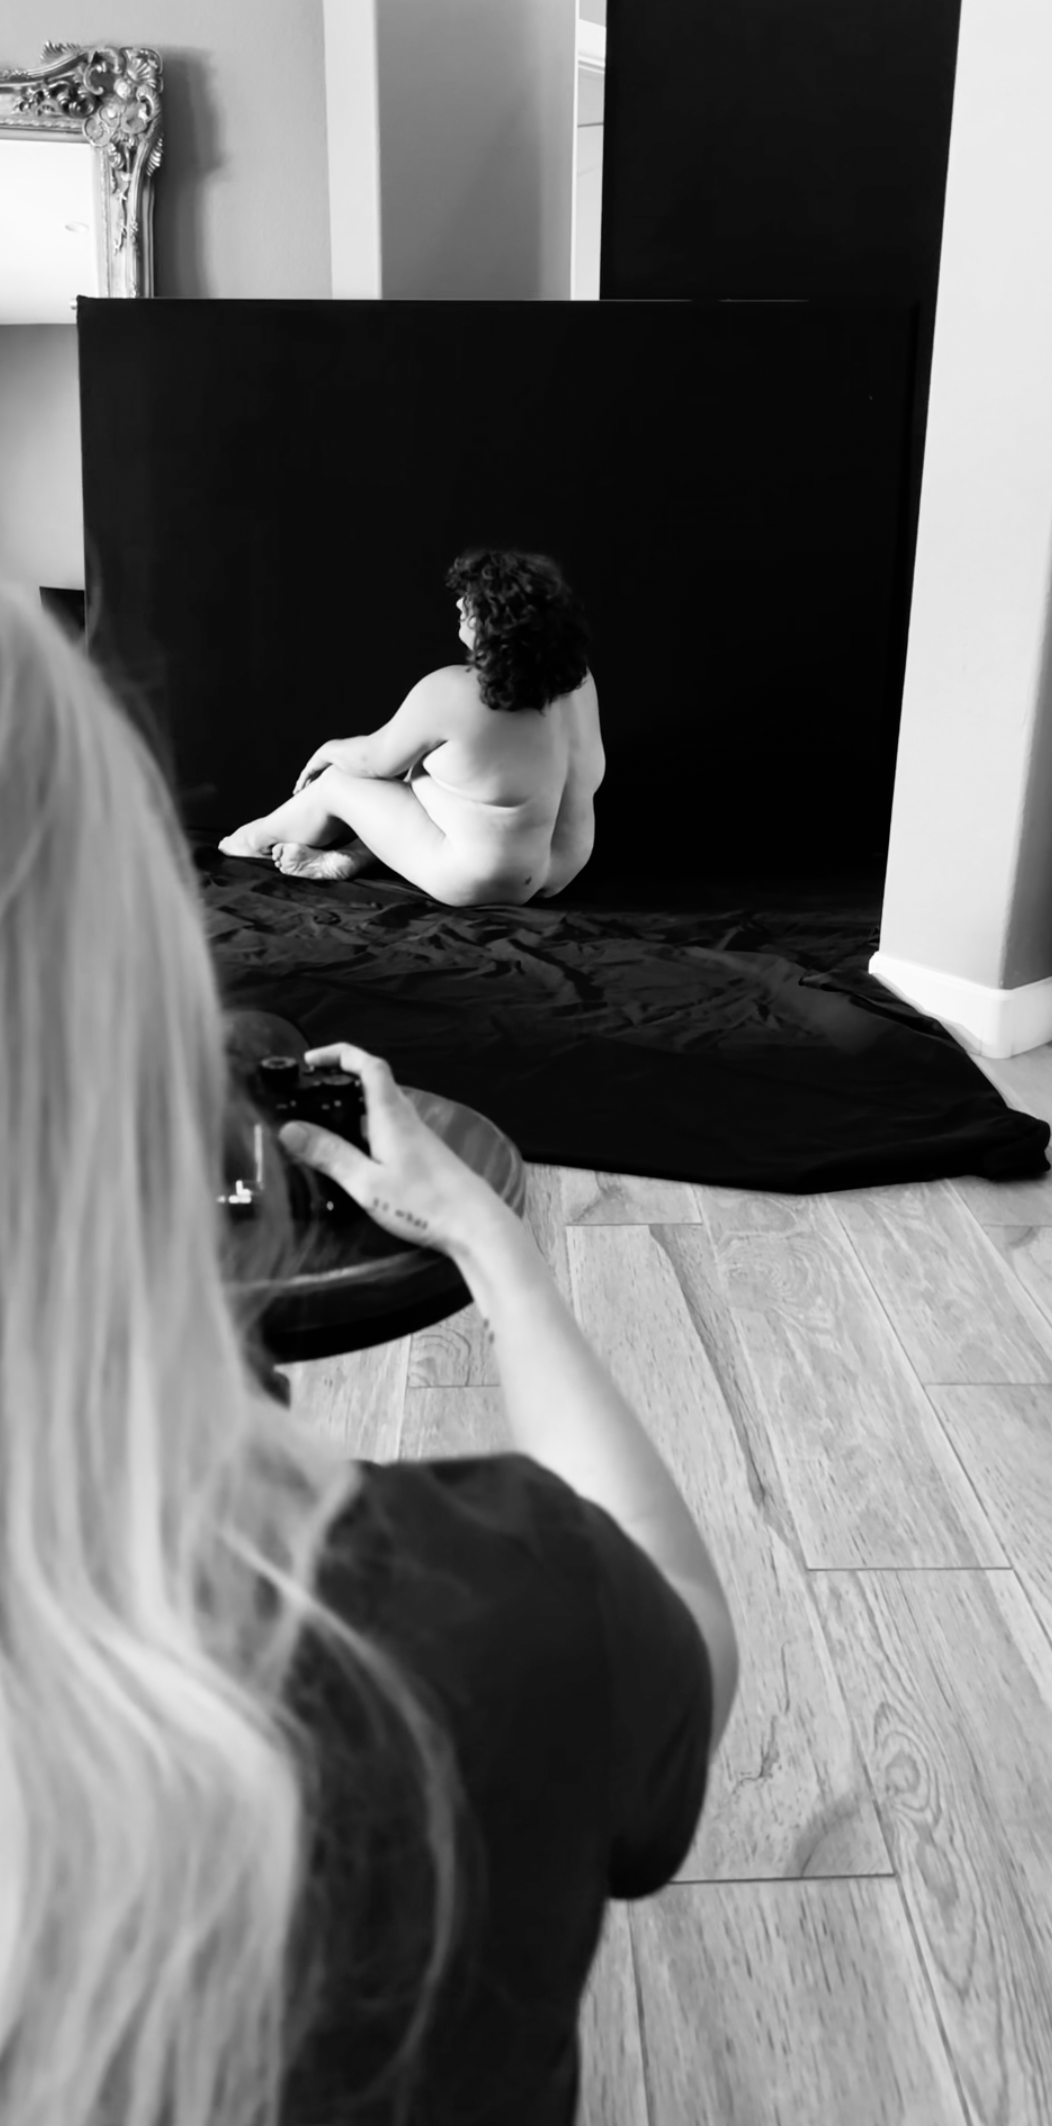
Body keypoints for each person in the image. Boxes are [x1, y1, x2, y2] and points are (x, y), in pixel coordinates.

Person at [0, 577, 740, 2126]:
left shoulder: (452, 692)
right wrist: (494, 1250)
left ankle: (278, 843)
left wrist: (345, 786)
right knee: (340, 787)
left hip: (455, 863)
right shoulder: (515, 1610)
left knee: (337, 786)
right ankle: (282, 841)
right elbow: (687, 1644)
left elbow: (370, 745)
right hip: (523, 880)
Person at [219, 550, 606, 908]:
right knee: (431, 771)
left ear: (497, 622)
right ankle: (353, 856)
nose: (459, 604)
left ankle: (245, 842)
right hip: (565, 869)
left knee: (339, 782)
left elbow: (373, 762)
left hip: (482, 881)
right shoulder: (577, 679)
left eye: (470, 601)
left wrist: (327, 749)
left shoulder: (456, 690)